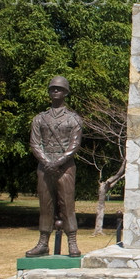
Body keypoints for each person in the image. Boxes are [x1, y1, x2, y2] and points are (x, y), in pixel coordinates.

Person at [25, 76, 83, 257]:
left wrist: (58, 162)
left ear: (65, 92)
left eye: (59, 89)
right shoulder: (39, 119)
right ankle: (43, 243)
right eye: (52, 89)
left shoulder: (74, 119)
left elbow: (74, 145)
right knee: (45, 205)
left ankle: (72, 241)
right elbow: (35, 143)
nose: (55, 91)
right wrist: (46, 162)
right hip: (45, 166)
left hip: (65, 167)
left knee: (67, 204)